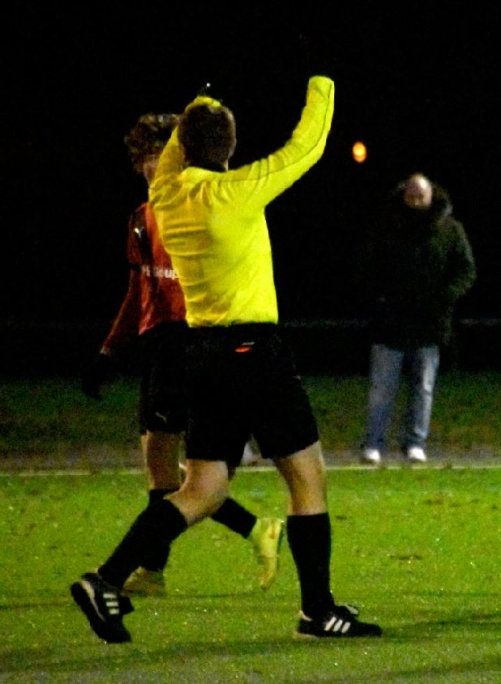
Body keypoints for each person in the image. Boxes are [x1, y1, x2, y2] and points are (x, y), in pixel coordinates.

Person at [70, 73, 382, 643]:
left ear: (181, 145)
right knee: (308, 479)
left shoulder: (166, 194)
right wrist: (322, 83)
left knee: (202, 489)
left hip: (203, 355)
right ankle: (317, 612)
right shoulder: (239, 190)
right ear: (231, 146)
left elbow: (181, 147)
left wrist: (200, 101)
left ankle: (106, 579)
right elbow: (308, 145)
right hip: (254, 352)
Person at [81, 113, 284, 597]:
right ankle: (250, 531)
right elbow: (137, 292)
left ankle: (153, 570)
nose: (152, 167)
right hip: (158, 349)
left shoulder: (198, 208)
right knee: (162, 470)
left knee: (175, 472)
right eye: (145, 160)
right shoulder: (140, 219)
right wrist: (110, 350)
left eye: (160, 156)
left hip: (190, 344)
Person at [360, 173, 476, 465]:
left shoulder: (449, 230)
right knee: (381, 389)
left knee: (422, 389)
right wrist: (380, 299)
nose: (414, 202)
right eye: (410, 197)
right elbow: (368, 267)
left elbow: (465, 270)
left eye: (420, 197)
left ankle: (415, 443)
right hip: (390, 323)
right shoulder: (386, 228)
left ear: (430, 196)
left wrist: (445, 297)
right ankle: (373, 444)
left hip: (429, 323)